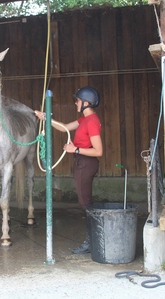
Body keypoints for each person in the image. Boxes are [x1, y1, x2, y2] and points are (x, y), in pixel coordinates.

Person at [35, 86, 103, 254]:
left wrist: (76, 150)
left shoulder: (92, 121)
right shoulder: (84, 120)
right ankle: (94, 239)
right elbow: (64, 127)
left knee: (86, 204)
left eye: (78, 100)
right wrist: (46, 118)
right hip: (82, 162)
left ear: (86, 103)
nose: (76, 103)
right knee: (85, 203)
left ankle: (92, 242)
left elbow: (99, 150)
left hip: (86, 162)